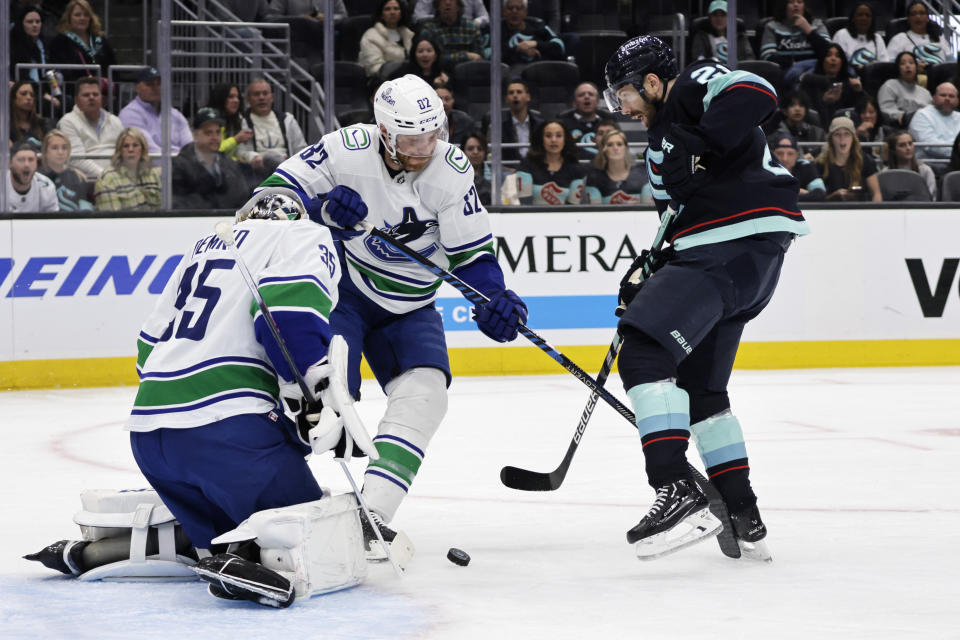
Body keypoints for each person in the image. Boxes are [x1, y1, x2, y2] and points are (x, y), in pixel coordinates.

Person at [254, 74, 528, 557]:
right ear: (383, 132)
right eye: (411, 139)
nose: (425, 148)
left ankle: (371, 516)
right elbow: (264, 205)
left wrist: (495, 298)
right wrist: (319, 210)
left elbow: (473, 258)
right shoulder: (345, 149)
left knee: (426, 397)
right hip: (345, 292)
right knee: (322, 401)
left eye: (433, 133)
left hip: (411, 306)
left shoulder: (452, 169)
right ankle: (253, 496)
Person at [603, 35, 809, 559]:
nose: (621, 107)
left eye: (622, 93)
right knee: (703, 395)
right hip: (737, 262)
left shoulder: (690, 88)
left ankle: (675, 489)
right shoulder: (654, 152)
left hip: (732, 246)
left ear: (650, 82)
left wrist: (700, 141)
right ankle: (743, 515)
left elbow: (758, 91)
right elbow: (675, 222)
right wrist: (649, 272)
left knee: (645, 352)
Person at [171, 108, 251, 210]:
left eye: (218, 132)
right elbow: (179, 203)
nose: (215, 137)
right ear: (195, 136)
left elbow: (242, 198)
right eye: (208, 133)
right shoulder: (179, 166)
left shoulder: (230, 164)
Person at [236, 76, 309, 179]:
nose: (261, 97)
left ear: (272, 97)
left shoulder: (287, 120)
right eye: (256, 94)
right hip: (257, 171)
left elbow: (301, 149)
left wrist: (293, 162)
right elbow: (239, 152)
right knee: (270, 158)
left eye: (265, 93)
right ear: (248, 99)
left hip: (287, 168)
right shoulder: (242, 122)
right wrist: (253, 157)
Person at [56, 75, 125, 180]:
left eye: (95, 94)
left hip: (118, 179)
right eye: (86, 95)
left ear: (101, 98)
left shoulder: (115, 121)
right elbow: (76, 159)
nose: (91, 97)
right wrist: (107, 177)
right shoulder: (67, 122)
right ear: (76, 100)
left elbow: (125, 153)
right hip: (86, 182)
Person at [118, 67, 193, 155]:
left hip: (180, 164)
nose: (155, 88)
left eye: (159, 84)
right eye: (149, 84)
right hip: (148, 166)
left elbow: (189, 146)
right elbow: (149, 151)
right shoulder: (129, 114)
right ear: (137, 88)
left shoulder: (175, 114)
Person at [760, 0, 830, 87]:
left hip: (815, 72)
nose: (796, 5)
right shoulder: (772, 26)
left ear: (804, 6)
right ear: (784, 6)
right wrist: (793, 64)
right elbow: (767, 56)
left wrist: (808, 30)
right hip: (786, 71)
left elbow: (829, 52)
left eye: (799, 2)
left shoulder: (817, 24)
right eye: (791, 2)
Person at [515, 119, 585, 205]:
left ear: (565, 139)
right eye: (548, 136)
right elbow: (524, 204)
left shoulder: (576, 169)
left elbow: (573, 206)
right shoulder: (528, 164)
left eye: (558, 136)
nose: (553, 140)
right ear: (541, 139)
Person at [48, 0, 116, 85]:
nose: (82, 18)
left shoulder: (100, 40)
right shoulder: (60, 41)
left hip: (102, 92)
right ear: (69, 18)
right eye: (77, 15)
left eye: (86, 15)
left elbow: (112, 66)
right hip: (73, 91)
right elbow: (56, 71)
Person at [93, 127, 161, 211]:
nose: (131, 149)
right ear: (120, 151)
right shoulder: (107, 178)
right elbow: (112, 220)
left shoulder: (155, 174)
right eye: (126, 146)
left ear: (142, 149)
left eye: (135, 145)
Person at [816, 115, 882, 201]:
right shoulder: (820, 164)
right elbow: (817, 199)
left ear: (853, 138)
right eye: (837, 134)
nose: (842, 139)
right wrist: (833, 197)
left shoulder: (865, 161)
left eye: (846, 134)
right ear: (831, 139)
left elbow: (876, 194)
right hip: (831, 211)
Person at [9, 5, 60, 115]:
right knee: (46, 104)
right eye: (30, 22)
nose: (35, 25)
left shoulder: (43, 43)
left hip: (45, 87)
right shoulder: (15, 46)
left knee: (66, 100)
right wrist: (43, 94)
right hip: (27, 90)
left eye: (38, 21)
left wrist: (56, 89)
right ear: (22, 24)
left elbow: (49, 70)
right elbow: (22, 77)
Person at [583, 129, 650, 204]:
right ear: (604, 150)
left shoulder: (642, 173)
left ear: (626, 148)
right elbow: (594, 212)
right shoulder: (594, 178)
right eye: (610, 145)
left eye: (619, 144)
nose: (615, 148)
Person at [803, 43, 863, 125]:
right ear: (822, 59)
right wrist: (824, 102)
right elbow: (807, 112)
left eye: (837, 56)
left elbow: (863, 110)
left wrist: (859, 92)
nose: (833, 59)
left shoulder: (849, 82)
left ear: (842, 61)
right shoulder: (811, 81)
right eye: (828, 55)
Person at [886, 2, 955, 72]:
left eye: (922, 13)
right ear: (909, 19)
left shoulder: (939, 38)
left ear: (928, 18)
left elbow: (951, 63)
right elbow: (890, 65)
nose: (918, 17)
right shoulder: (899, 39)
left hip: (940, 77)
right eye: (913, 14)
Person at [486, 79, 543, 162]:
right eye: (511, 93)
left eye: (519, 92)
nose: (515, 95)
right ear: (507, 99)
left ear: (528, 97)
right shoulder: (497, 127)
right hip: (508, 170)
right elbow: (491, 157)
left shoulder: (540, 125)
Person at [419, 0, 486, 67]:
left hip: (468, 73)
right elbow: (430, 59)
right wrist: (465, 56)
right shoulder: (429, 29)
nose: (447, 2)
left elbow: (480, 57)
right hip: (439, 73)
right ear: (438, 6)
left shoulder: (471, 27)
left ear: (458, 6)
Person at [39, 129, 93, 210]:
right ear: (45, 151)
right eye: (55, 148)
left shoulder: (77, 177)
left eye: (64, 148)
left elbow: (85, 209)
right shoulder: (37, 178)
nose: (60, 152)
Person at [500, 0, 565, 68]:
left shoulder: (538, 25)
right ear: (504, 11)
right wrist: (518, 49)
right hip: (510, 72)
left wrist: (536, 44)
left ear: (526, 11)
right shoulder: (496, 30)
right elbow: (489, 54)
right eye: (510, 8)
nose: (514, 11)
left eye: (519, 8)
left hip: (541, 70)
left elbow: (559, 47)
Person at [359, 0, 415, 78]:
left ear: (401, 13)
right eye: (387, 9)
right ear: (381, 14)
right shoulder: (371, 36)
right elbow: (374, 67)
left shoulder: (408, 34)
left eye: (396, 8)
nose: (392, 12)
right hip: (383, 81)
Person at [690, 0, 755, 67]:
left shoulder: (740, 36)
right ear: (709, 18)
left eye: (723, 15)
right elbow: (698, 61)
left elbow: (749, 59)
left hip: (738, 74)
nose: (719, 19)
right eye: (715, 15)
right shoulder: (701, 37)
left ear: (730, 18)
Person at [558, 82, 613, 159]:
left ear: (598, 102)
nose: (586, 97)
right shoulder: (563, 121)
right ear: (574, 103)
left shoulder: (608, 119)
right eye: (581, 95)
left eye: (591, 94)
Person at [878, 51, 932, 129]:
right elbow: (886, 111)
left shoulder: (925, 93)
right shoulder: (890, 86)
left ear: (916, 67)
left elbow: (932, 113)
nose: (907, 66)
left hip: (925, 127)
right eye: (902, 63)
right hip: (899, 128)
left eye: (911, 63)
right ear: (898, 68)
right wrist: (904, 117)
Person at [908, 82, 960, 162]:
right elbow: (931, 147)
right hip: (930, 165)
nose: (947, 99)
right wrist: (956, 152)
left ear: (957, 100)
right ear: (934, 98)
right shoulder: (922, 115)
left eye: (951, 96)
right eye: (943, 95)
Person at [832, 2, 888, 75]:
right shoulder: (842, 35)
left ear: (872, 20)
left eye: (868, 15)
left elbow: (884, 65)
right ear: (853, 18)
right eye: (860, 15)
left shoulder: (877, 38)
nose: (864, 18)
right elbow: (836, 63)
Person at [769, 132, 825, 201]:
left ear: (797, 155)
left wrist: (785, 196)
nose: (784, 159)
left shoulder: (805, 166)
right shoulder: (765, 169)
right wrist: (795, 192)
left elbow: (820, 194)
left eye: (790, 154)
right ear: (772, 154)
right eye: (779, 153)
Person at [6, 141, 58, 213]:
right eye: (21, 160)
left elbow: (53, 220)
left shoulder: (46, 186)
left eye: (31, 160)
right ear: (10, 163)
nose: (26, 164)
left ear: (37, 163)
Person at [883, 129, 936, 199]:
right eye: (902, 145)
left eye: (910, 144)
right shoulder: (885, 173)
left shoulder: (925, 170)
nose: (908, 148)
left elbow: (931, 198)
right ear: (893, 150)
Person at [9, 81, 52, 149]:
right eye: (23, 94)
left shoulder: (43, 123)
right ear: (14, 99)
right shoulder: (5, 125)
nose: (29, 98)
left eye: (32, 95)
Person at [462, 130, 492, 205]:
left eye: (479, 149)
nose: (475, 152)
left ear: (485, 152)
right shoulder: (454, 177)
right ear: (463, 152)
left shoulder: (495, 176)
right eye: (470, 148)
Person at [412, 0, 488, 28]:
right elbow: (417, 17)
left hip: (467, 31)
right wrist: (439, 17)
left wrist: (475, 23)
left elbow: (485, 17)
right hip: (438, 29)